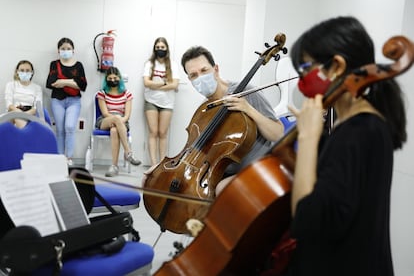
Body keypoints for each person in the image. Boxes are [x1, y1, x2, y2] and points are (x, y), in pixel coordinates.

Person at [287, 16, 407, 276]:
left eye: (305, 68)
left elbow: (308, 222)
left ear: (336, 66)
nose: (302, 80)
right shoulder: (361, 126)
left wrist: (307, 139)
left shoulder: (359, 131)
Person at [181, 46, 284, 195]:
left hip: (259, 166)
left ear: (216, 69)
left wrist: (248, 109)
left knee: (222, 189)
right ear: (189, 79)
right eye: (194, 75)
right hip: (226, 171)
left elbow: (278, 133)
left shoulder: (245, 92)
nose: (200, 78)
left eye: (204, 71)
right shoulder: (205, 108)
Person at [46, 37, 87, 166]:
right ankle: (59, 158)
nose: (66, 50)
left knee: (69, 127)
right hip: (57, 100)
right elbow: (51, 83)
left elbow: (83, 85)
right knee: (60, 129)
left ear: (73, 50)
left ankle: (69, 157)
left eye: (68, 48)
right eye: (63, 48)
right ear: (58, 50)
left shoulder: (78, 65)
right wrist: (72, 82)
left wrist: (63, 82)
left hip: (74, 101)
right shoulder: (54, 64)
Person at [96, 67, 141, 177]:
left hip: (122, 121)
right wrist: (115, 119)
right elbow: (105, 113)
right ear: (106, 79)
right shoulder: (102, 93)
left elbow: (127, 116)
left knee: (114, 131)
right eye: (110, 78)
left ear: (119, 78)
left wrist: (118, 121)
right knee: (115, 119)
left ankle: (114, 166)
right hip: (105, 120)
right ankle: (128, 153)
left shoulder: (127, 94)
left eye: (115, 78)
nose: (112, 80)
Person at [143, 37, 180, 166]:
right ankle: (154, 165)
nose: (160, 50)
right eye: (157, 47)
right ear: (154, 49)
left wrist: (156, 85)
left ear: (167, 49)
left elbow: (174, 85)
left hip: (167, 103)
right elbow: (146, 83)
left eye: (162, 47)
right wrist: (165, 83)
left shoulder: (173, 64)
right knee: (153, 132)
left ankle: (162, 164)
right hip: (151, 101)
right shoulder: (149, 64)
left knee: (163, 133)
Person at [5, 60, 42, 128]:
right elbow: (9, 105)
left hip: (30, 114)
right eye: (22, 70)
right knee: (17, 118)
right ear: (17, 72)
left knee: (21, 120)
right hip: (13, 112)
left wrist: (25, 115)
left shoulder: (37, 88)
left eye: (27, 70)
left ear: (32, 72)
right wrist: (19, 113)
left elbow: (37, 107)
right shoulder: (11, 85)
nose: (25, 72)